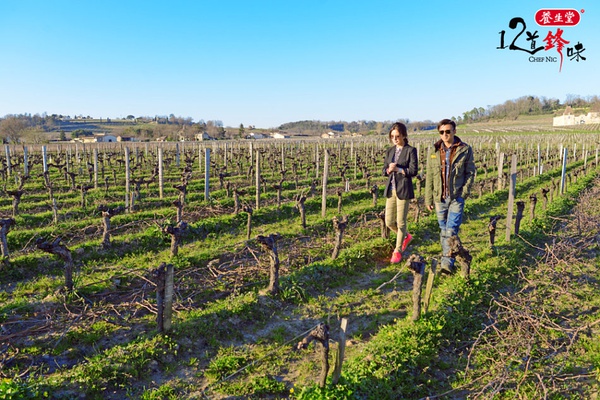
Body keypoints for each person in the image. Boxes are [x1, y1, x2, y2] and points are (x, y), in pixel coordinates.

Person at [425, 118, 476, 273]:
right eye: (442, 132)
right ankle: (450, 256)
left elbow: (471, 173)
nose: (445, 134)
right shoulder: (434, 151)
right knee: (443, 230)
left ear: (454, 131)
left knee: (451, 230)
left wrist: (464, 193)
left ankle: (447, 263)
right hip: (439, 197)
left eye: (448, 131)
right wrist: (428, 198)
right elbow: (429, 176)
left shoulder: (465, 150)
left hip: (456, 197)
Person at [383, 122, 418, 263]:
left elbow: (413, 171)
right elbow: (384, 170)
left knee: (401, 222)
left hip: (403, 189)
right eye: (392, 136)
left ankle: (397, 251)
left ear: (403, 135)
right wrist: (388, 170)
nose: (395, 139)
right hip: (391, 189)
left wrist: (399, 170)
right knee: (389, 221)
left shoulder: (410, 150)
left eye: (397, 136)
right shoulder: (390, 151)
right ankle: (405, 236)